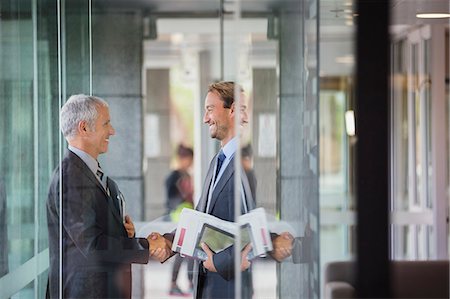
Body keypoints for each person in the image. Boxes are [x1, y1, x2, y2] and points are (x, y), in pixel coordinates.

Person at [161, 81, 293, 299]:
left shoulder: (244, 167)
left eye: (210, 109)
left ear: (232, 110)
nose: (205, 118)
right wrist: (167, 241)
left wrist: (219, 262)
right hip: (210, 283)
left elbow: (251, 226)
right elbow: (202, 218)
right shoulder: (218, 161)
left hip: (229, 284)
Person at [46, 94, 170, 299]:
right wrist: (146, 246)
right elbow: (93, 245)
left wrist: (123, 232)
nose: (112, 131)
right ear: (84, 128)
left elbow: (92, 229)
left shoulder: (89, 172)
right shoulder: (71, 177)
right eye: (107, 124)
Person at [165, 144, 195, 296]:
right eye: (189, 159)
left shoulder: (187, 175)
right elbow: (171, 200)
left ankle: (188, 282)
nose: (190, 163)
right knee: (181, 251)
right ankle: (174, 283)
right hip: (179, 218)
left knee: (188, 251)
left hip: (188, 217)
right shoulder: (174, 176)